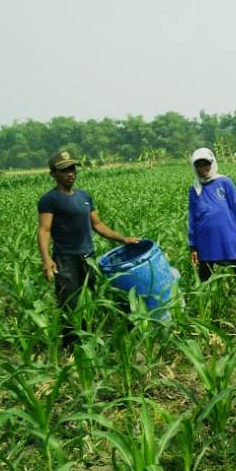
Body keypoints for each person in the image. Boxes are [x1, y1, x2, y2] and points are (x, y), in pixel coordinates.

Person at [37, 149, 140, 348]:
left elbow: (98, 225)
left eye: (73, 168)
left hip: (88, 258)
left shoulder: (84, 196)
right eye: (65, 170)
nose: (70, 173)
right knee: (70, 304)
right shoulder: (49, 200)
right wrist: (46, 260)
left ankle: (88, 342)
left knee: (90, 301)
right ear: (53, 174)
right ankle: (70, 348)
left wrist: (123, 239)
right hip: (66, 260)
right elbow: (44, 230)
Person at [187, 148, 236, 319]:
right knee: (205, 277)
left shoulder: (224, 182)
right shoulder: (194, 189)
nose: (203, 168)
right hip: (204, 240)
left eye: (206, 163)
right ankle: (203, 309)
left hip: (227, 237)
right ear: (194, 167)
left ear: (212, 163)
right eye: (198, 165)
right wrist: (193, 246)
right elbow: (192, 217)